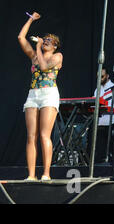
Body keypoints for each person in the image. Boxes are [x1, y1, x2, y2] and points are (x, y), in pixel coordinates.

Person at [18, 12, 63, 181]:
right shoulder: (34, 56)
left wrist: (38, 47)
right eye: (45, 39)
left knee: (45, 135)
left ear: (55, 46)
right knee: (31, 135)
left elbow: (44, 68)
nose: (46, 41)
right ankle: (31, 175)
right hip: (33, 94)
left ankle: (46, 173)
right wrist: (31, 19)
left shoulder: (58, 56)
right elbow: (21, 37)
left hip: (49, 94)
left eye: (50, 40)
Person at [91, 67, 114, 162]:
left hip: (111, 124)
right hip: (100, 124)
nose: (100, 78)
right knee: (99, 151)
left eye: (102, 76)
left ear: (108, 76)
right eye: (98, 76)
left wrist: (104, 108)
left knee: (111, 151)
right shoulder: (97, 90)